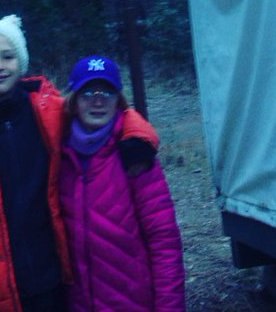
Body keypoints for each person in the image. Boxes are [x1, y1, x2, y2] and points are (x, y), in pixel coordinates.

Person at [0, 15, 158, 312]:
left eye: (7, 56)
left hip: (56, 288)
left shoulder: (52, 115)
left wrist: (137, 135)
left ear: (21, 63)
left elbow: (109, 113)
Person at [59, 54, 185, 312]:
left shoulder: (134, 152)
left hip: (131, 301)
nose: (97, 101)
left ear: (118, 99)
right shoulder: (57, 154)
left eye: (107, 92)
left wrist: (169, 306)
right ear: (72, 100)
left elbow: (163, 240)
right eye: (87, 92)